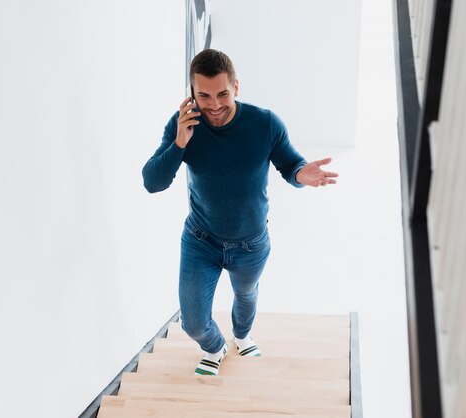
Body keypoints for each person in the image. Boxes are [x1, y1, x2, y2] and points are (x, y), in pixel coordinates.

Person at [142, 49, 338, 375]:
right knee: (192, 322)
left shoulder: (265, 123)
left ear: (236, 86)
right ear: (192, 94)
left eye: (222, 93)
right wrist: (179, 143)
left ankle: (242, 336)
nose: (215, 105)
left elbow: (291, 165)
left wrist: (302, 174)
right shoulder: (183, 126)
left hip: (251, 243)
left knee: (245, 295)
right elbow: (152, 182)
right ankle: (216, 346)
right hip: (200, 241)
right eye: (204, 95)